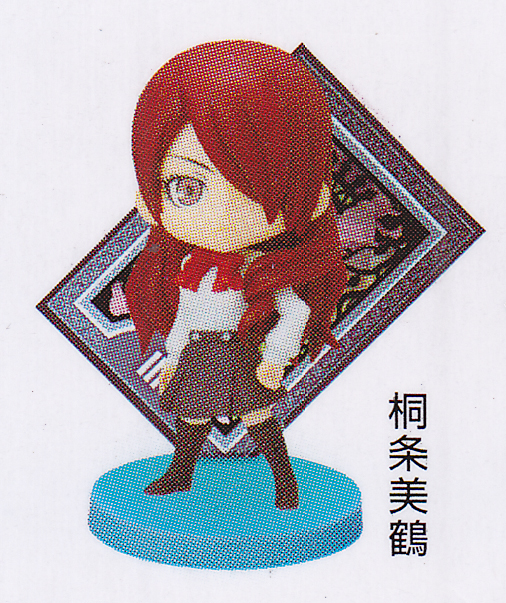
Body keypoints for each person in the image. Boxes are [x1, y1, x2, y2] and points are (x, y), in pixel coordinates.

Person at [125, 40, 347, 510]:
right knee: (191, 416)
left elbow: (295, 313)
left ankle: (284, 481)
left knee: (259, 415)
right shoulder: (189, 268)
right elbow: (184, 318)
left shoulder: (260, 272)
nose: (221, 215)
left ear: (316, 198)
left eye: (256, 191)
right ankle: (181, 473)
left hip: (242, 350)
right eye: (186, 187)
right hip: (198, 351)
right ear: (148, 197)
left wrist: (276, 357)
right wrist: (172, 357)